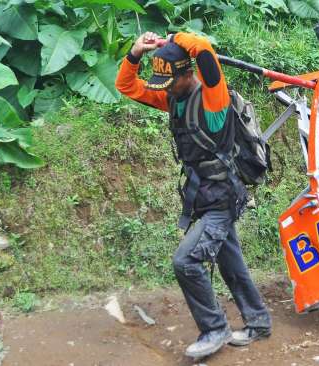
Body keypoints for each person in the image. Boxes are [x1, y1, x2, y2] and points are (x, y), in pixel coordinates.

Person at [115, 31, 271, 359]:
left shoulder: (214, 99)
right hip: (204, 197)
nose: (165, 88)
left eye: (170, 81)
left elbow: (204, 51)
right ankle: (258, 321)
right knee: (230, 260)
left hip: (224, 197)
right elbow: (127, 87)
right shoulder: (172, 97)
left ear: (188, 74)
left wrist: (174, 36)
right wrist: (135, 54)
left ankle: (215, 328)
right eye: (162, 82)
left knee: (185, 261)